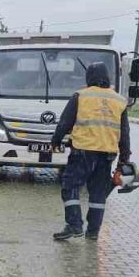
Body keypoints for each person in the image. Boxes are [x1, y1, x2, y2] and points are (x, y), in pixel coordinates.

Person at [50, 62, 131, 241]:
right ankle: (93, 232)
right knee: (98, 194)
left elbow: (65, 122)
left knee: (70, 186)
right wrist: (124, 160)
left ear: (89, 78)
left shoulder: (81, 96)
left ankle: (74, 225)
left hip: (83, 152)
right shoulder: (119, 101)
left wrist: (56, 140)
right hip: (107, 154)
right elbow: (124, 134)